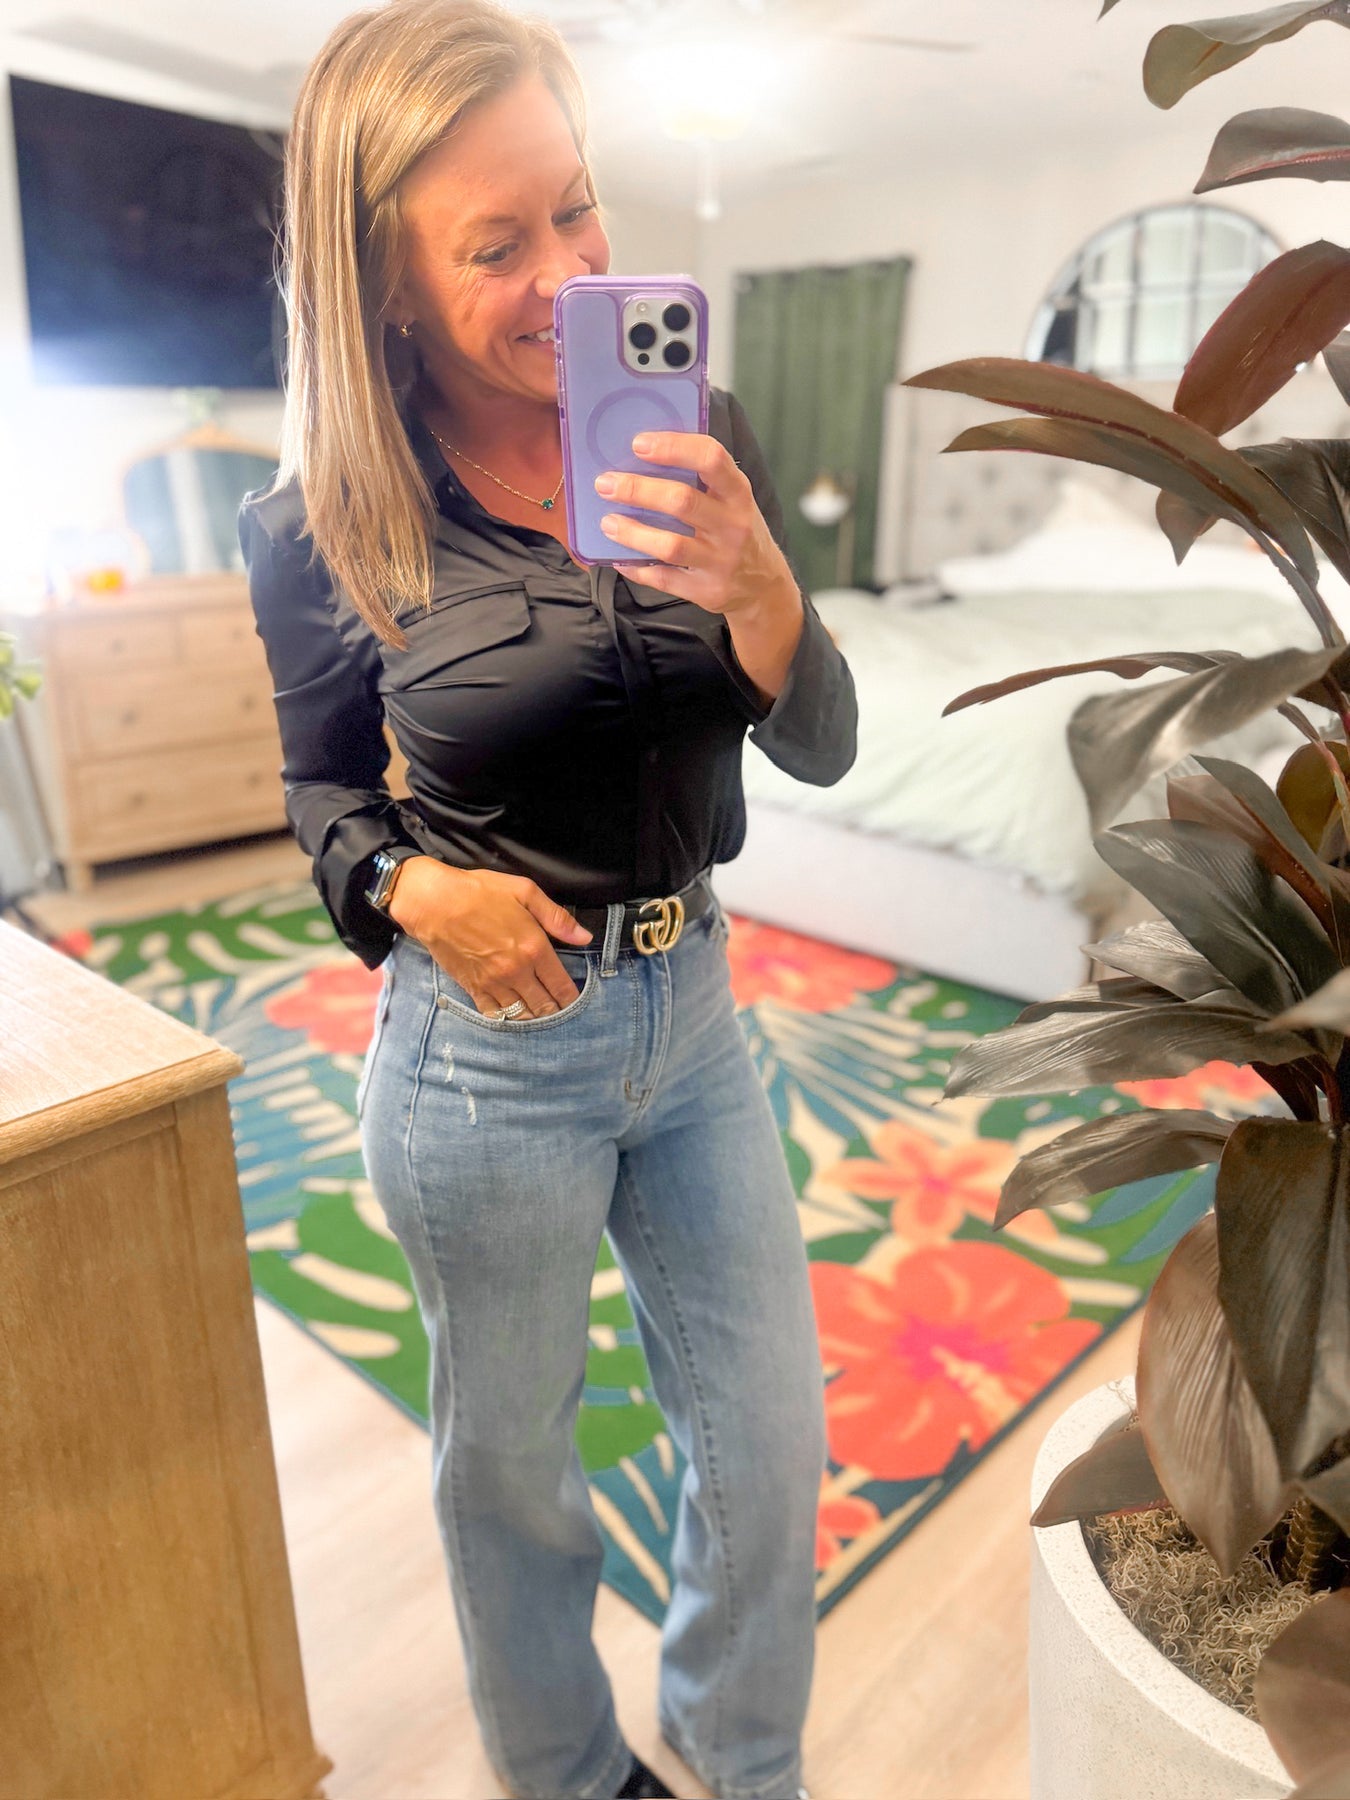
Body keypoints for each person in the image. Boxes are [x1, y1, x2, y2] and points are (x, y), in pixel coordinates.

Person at [239, 4, 858, 1796]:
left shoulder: (698, 434)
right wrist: (414, 888)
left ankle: (741, 1762)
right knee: (511, 1472)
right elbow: (322, 796)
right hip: (484, 1057)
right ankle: (569, 1778)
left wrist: (760, 586)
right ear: (386, 283)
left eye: (575, 209)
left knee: (766, 1443)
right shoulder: (322, 519)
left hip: (700, 1017)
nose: (568, 273)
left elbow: (817, 740)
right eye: (494, 243)